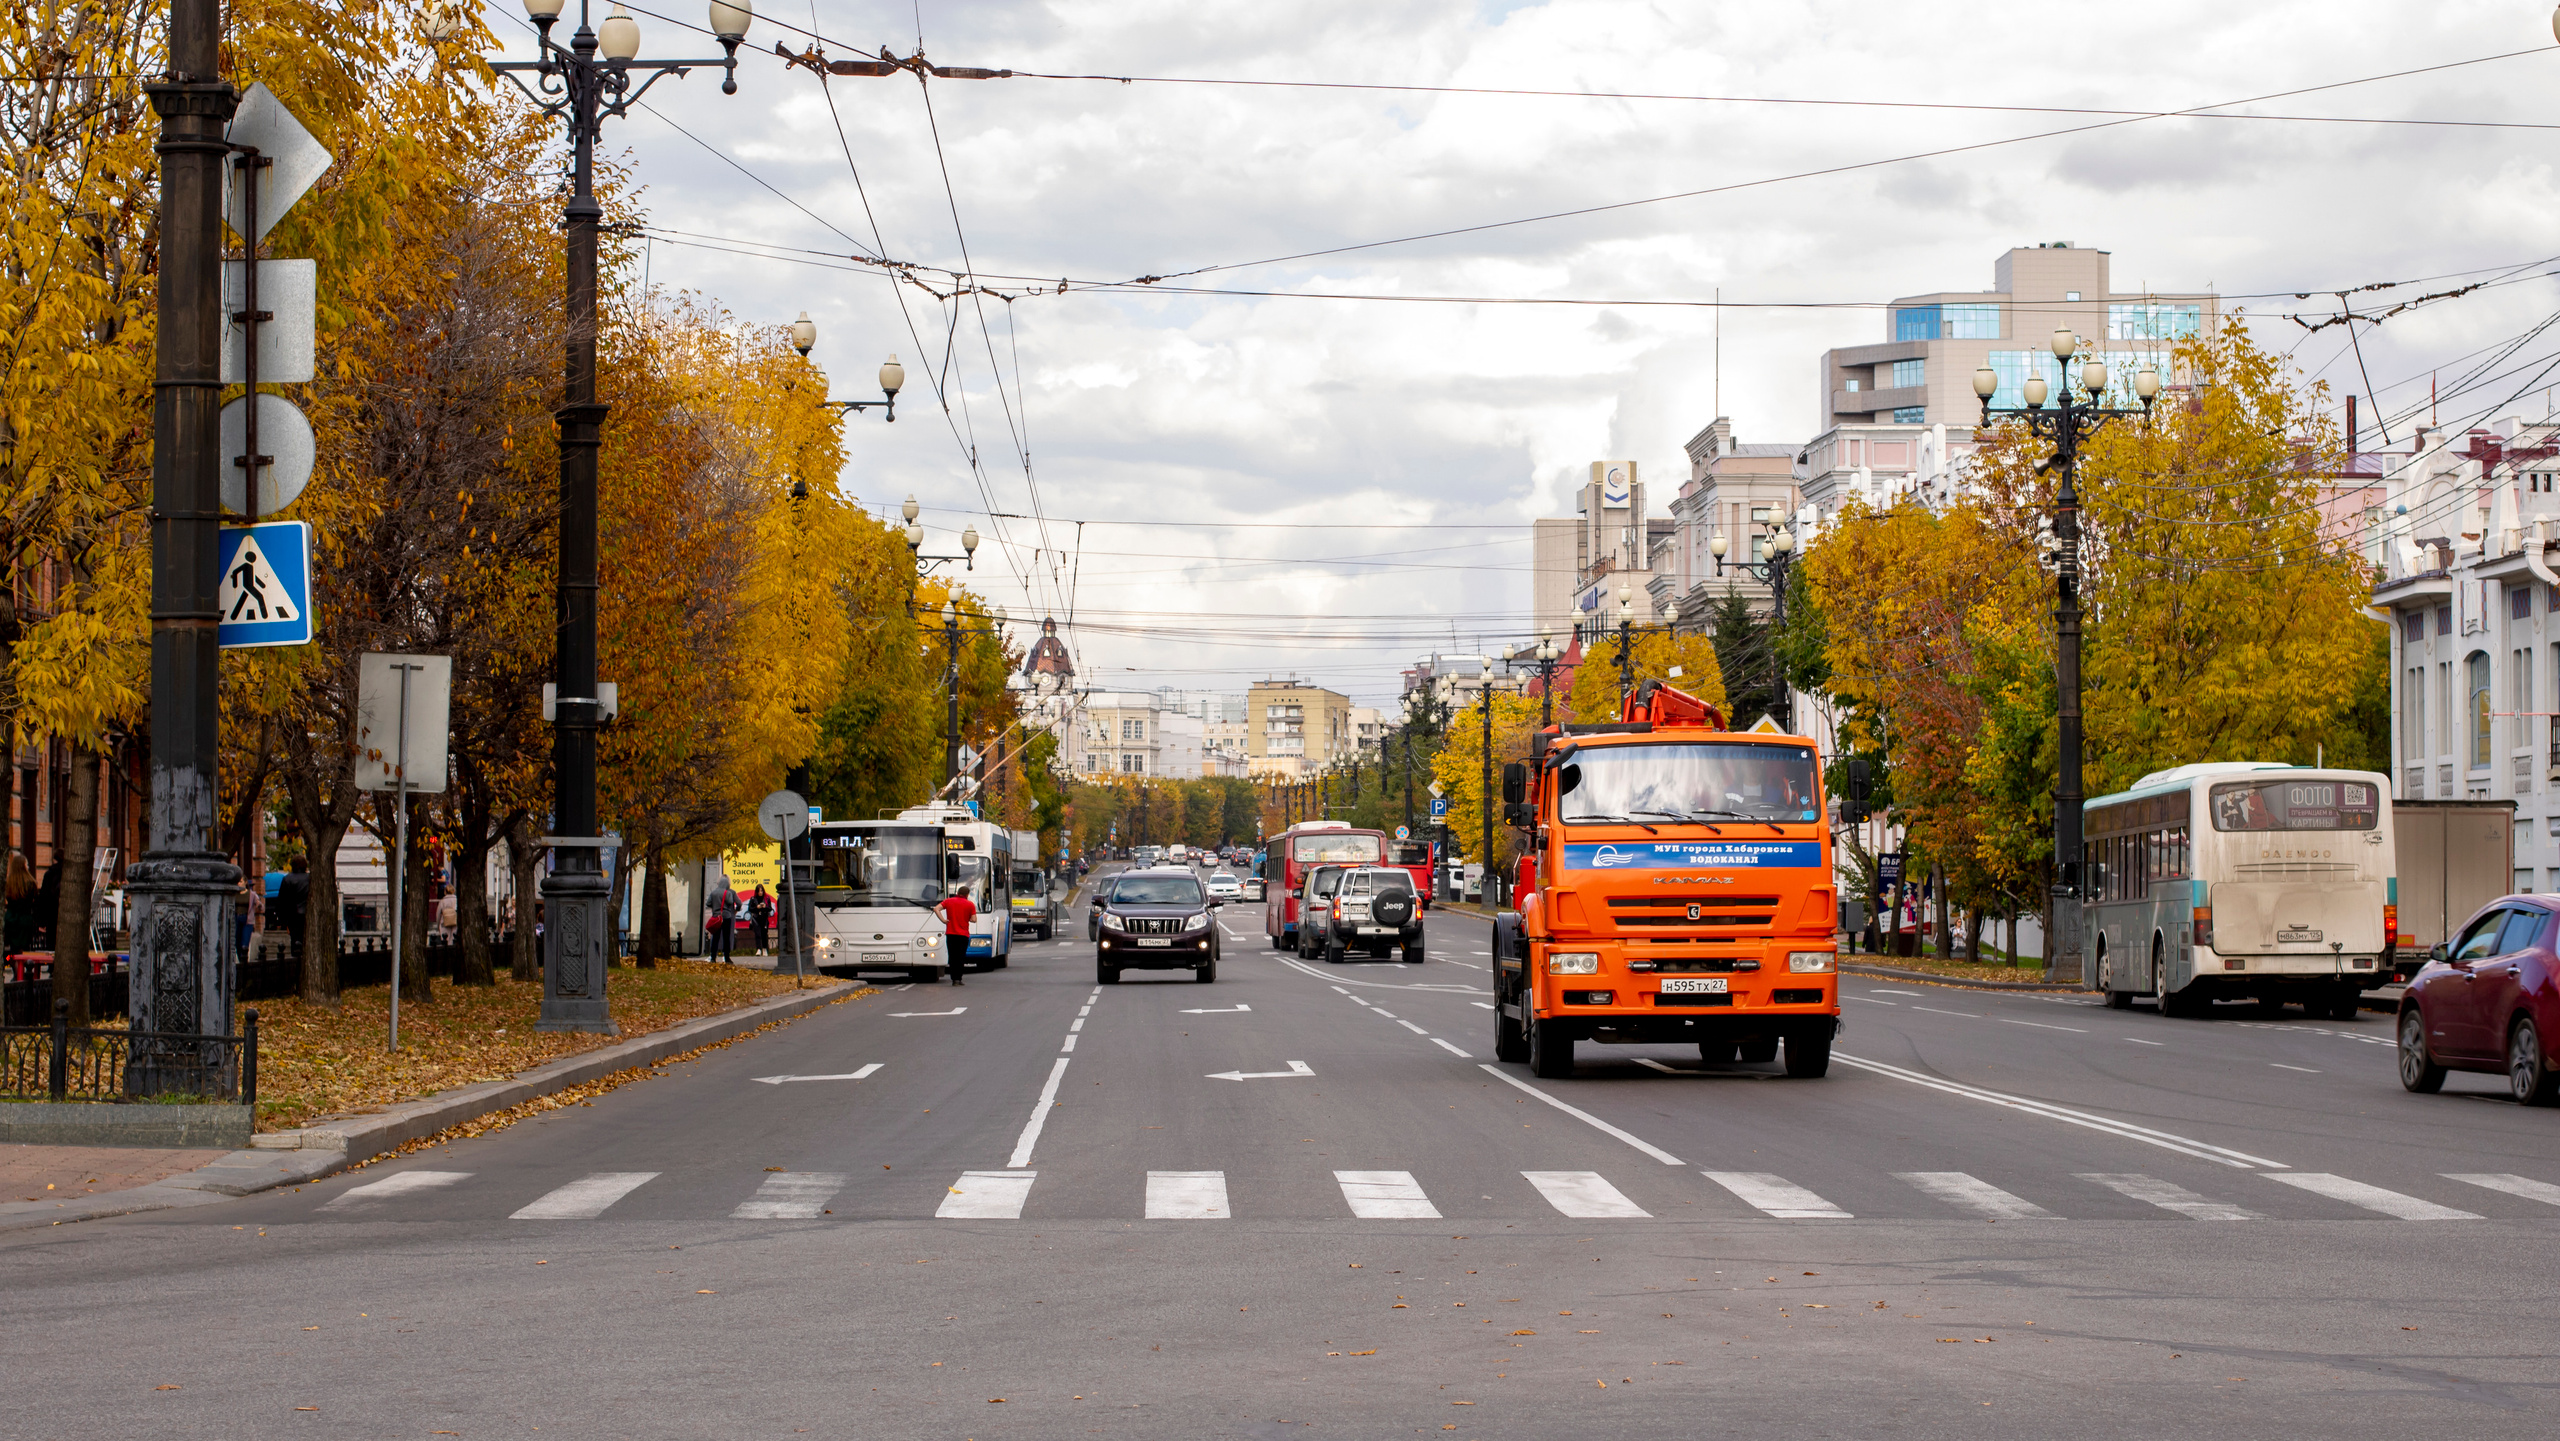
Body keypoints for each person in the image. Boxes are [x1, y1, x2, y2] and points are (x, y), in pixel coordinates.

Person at [934, 885, 975, 987]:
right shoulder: (970, 904)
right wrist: (967, 918)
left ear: (958, 893)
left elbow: (936, 909)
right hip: (963, 935)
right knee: (960, 957)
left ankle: (953, 979)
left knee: (952, 957)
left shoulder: (948, 901)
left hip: (951, 934)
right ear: (967, 894)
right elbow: (974, 919)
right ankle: (958, 979)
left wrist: (943, 920)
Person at [3, 852, 37, 958]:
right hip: (25, 919)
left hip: (11, 918)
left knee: (12, 950)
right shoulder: (31, 883)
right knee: (24, 950)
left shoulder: (8, 883)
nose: (28, 866)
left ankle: (14, 966)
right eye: (26, 864)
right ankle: (23, 967)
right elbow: (34, 902)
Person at [705, 879, 738, 963]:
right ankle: (726, 957)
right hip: (726, 917)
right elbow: (730, 902)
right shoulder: (728, 893)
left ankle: (713, 957)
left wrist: (715, 906)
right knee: (726, 937)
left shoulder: (713, 892)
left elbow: (708, 903)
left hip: (716, 917)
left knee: (715, 937)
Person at [748, 884, 774, 956]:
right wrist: (757, 907)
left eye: (761, 891)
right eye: (759, 891)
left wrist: (765, 906)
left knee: (764, 934)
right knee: (757, 934)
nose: (760, 892)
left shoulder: (766, 898)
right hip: (756, 918)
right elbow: (750, 909)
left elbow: (770, 908)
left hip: (764, 918)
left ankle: (765, 948)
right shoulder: (753, 899)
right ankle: (758, 949)